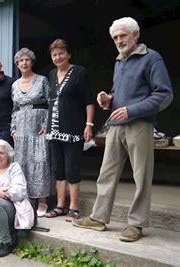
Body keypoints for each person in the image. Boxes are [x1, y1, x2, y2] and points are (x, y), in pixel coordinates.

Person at [73, 17, 173, 242]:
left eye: (123, 35)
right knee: (106, 173)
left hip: (140, 124)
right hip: (116, 126)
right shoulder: (120, 61)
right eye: (115, 37)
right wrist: (109, 100)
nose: (119, 40)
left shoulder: (151, 58)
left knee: (141, 175)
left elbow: (164, 94)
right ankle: (99, 217)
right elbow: (121, 94)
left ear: (135, 35)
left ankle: (136, 224)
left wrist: (132, 110)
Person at [44, 39, 95, 222]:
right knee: (59, 169)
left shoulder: (79, 72)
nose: (58, 57)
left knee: (72, 167)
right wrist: (46, 126)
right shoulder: (50, 74)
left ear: (69, 54)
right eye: (54, 54)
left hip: (73, 129)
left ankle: (74, 207)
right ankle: (59, 206)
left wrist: (89, 125)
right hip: (54, 130)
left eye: (61, 53)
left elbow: (88, 101)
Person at [10, 48, 52, 217]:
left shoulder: (42, 80)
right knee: (22, 163)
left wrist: (47, 124)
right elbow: (14, 108)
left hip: (38, 125)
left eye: (27, 60)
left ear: (31, 62)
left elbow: (50, 103)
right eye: (21, 61)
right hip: (20, 128)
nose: (24, 63)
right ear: (17, 64)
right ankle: (27, 199)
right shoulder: (14, 84)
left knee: (41, 161)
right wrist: (12, 128)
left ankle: (42, 200)